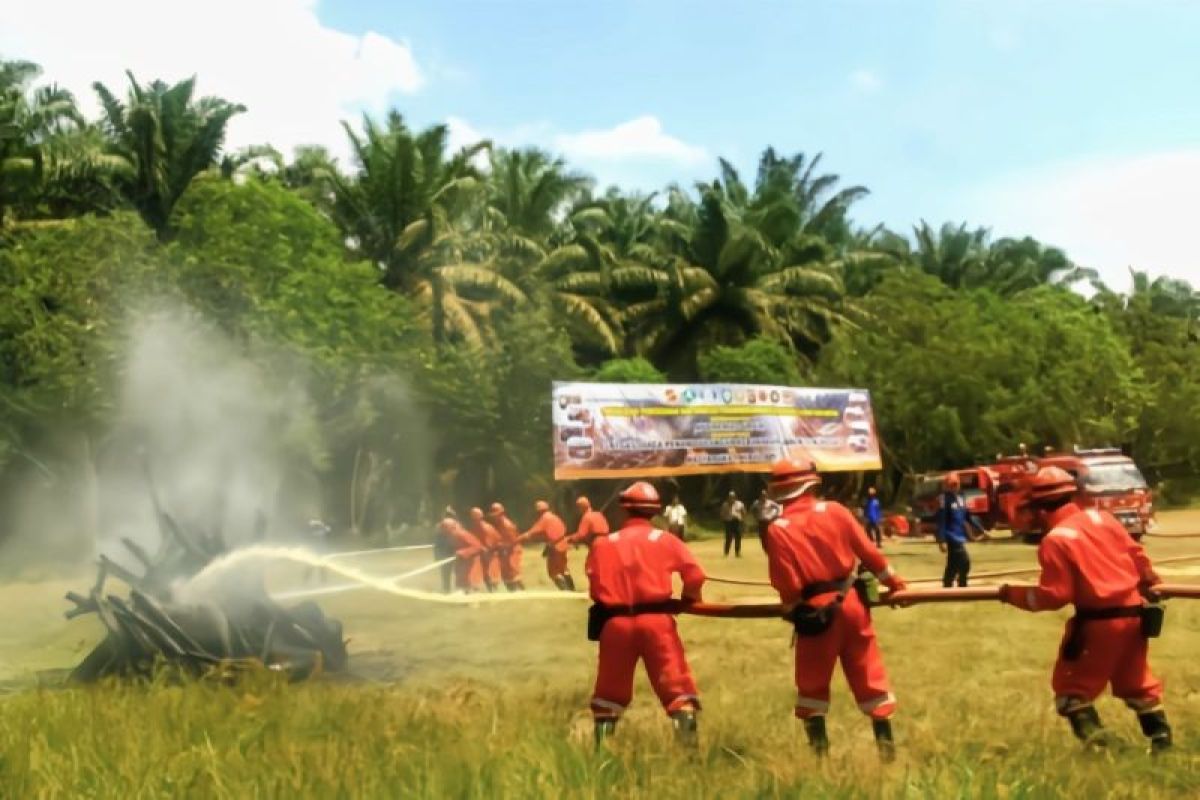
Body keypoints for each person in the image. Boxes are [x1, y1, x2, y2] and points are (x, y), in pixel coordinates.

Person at [999, 466, 1171, 752]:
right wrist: (1152, 581)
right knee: (1138, 684)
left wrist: (1012, 595)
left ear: (1040, 509)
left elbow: (1054, 595)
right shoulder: (1102, 518)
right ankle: (1162, 741)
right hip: (1135, 618)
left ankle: (1106, 747)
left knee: (1072, 693)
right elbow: (1136, 555)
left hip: (1098, 626)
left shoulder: (1055, 540)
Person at [761, 459, 908, 761]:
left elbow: (787, 583)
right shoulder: (836, 512)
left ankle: (820, 758)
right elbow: (869, 553)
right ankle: (887, 752)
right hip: (852, 604)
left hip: (817, 613)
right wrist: (895, 583)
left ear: (777, 490)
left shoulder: (779, 529)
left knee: (812, 681)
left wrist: (790, 607)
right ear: (812, 483)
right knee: (868, 670)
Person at [586, 481, 706, 748]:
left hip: (615, 625)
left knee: (609, 690)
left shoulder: (604, 544)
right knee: (675, 684)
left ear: (624, 510)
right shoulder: (665, 540)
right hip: (657, 624)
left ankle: (602, 753)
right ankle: (689, 754)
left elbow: (594, 585)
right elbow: (696, 575)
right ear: (654, 511)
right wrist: (688, 600)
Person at [935, 474, 988, 587]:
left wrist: (981, 530)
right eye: (951, 485)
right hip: (951, 536)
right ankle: (962, 584)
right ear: (946, 486)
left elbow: (968, 517)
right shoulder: (944, 499)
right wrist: (941, 540)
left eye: (956, 484)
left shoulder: (961, 498)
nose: (954, 487)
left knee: (953, 563)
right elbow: (941, 520)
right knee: (965, 562)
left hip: (960, 535)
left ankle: (947, 583)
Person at [517, 500, 575, 590]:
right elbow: (564, 528)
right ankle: (572, 589)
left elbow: (531, 533)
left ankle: (566, 591)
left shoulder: (544, 519)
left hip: (555, 547)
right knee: (564, 569)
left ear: (539, 511)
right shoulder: (555, 517)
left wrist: (517, 539)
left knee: (553, 573)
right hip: (563, 544)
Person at [439, 514, 484, 593]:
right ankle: (466, 600)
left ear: (450, 527)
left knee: (471, 583)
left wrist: (462, 552)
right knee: (463, 584)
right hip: (462, 562)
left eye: (444, 528)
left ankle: (474, 602)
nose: (443, 531)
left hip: (471, 562)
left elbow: (478, 546)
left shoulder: (462, 534)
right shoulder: (449, 535)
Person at [488, 502, 525, 591]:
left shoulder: (507, 525)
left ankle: (523, 593)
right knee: (506, 574)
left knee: (513, 573)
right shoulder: (498, 524)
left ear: (501, 514)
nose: (494, 517)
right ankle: (512, 593)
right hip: (505, 551)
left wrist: (501, 545)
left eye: (496, 515)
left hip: (513, 550)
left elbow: (514, 541)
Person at [469, 507, 504, 592]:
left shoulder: (484, 527)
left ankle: (494, 593)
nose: (471, 517)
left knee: (490, 574)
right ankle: (491, 592)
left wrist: (484, 549)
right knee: (486, 574)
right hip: (485, 552)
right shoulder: (477, 526)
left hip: (489, 553)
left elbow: (491, 543)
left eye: (473, 515)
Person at [433, 506, 458, 593]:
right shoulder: (457, 525)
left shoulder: (439, 526)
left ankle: (447, 589)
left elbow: (437, 542)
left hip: (447, 552)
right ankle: (453, 589)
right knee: (456, 572)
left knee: (447, 573)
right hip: (452, 552)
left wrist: (436, 555)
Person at [719, 490, 746, 557]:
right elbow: (722, 514)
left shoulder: (740, 504)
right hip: (729, 522)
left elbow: (744, 512)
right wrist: (725, 520)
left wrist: (742, 519)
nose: (731, 498)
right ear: (728, 497)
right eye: (730, 497)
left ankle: (737, 552)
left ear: (735, 497)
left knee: (738, 537)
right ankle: (726, 552)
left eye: (732, 497)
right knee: (728, 537)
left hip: (737, 522)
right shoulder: (725, 504)